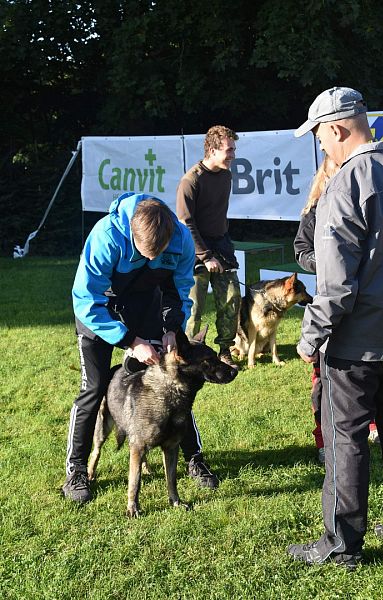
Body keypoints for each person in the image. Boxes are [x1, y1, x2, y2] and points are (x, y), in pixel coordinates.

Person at [288, 86, 383, 569]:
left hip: (357, 343)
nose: (320, 147)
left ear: (336, 128)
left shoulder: (348, 182)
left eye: (319, 137)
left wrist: (309, 338)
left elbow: (335, 286)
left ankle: (341, 546)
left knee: (345, 441)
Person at [62, 193, 220, 504]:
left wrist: (172, 329)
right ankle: (77, 471)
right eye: (143, 253)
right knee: (93, 389)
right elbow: (86, 301)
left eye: (157, 254)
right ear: (131, 233)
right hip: (99, 311)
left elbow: (179, 290)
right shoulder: (106, 236)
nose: (150, 260)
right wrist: (131, 342)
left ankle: (194, 459)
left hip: (145, 305)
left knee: (172, 383)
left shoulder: (181, 240)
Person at [294, 155, 379, 465]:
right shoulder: (314, 210)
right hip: (331, 305)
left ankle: (372, 426)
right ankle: (323, 440)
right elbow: (302, 250)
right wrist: (329, 262)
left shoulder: (369, 202)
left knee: (372, 375)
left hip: (368, 309)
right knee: (323, 382)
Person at [176, 125, 241, 368]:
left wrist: (220, 249)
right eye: (229, 150)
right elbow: (185, 223)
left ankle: (226, 350)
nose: (233, 155)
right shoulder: (190, 181)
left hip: (221, 246)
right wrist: (204, 256)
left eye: (234, 149)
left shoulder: (226, 174)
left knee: (232, 299)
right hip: (193, 250)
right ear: (212, 150)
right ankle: (189, 355)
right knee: (193, 307)